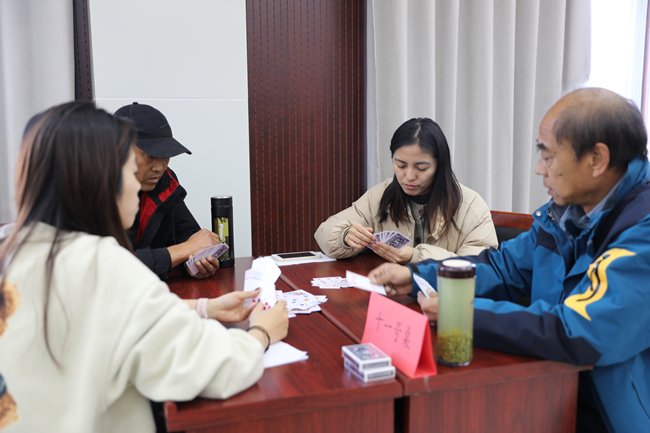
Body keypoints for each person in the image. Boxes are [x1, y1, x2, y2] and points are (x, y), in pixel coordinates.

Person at [368, 88, 650, 432]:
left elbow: (582, 330)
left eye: (548, 155)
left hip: (613, 417)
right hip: (551, 389)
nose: (539, 168)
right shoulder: (564, 215)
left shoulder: (642, 230)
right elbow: (504, 268)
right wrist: (416, 276)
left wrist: (463, 314)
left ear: (597, 159)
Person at [0, 101, 289, 432]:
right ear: (101, 178)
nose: (138, 184)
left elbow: (102, 313)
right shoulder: (104, 265)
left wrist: (203, 308)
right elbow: (211, 367)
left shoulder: (13, 250)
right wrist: (261, 333)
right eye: (129, 168)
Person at [314, 117, 497, 264]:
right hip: (389, 293)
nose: (409, 176)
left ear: (440, 165)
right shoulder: (380, 195)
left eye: (421, 168)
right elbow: (324, 232)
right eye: (400, 165)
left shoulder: (471, 207)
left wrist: (416, 256)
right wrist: (345, 236)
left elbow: (480, 268)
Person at [114, 102, 220, 280]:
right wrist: (182, 251)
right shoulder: (91, 191)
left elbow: (185, 233)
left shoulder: (164, 182)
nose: (160, 167)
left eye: (165, 155)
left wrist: (196, 260)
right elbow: (108, 267)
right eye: (149, 155)